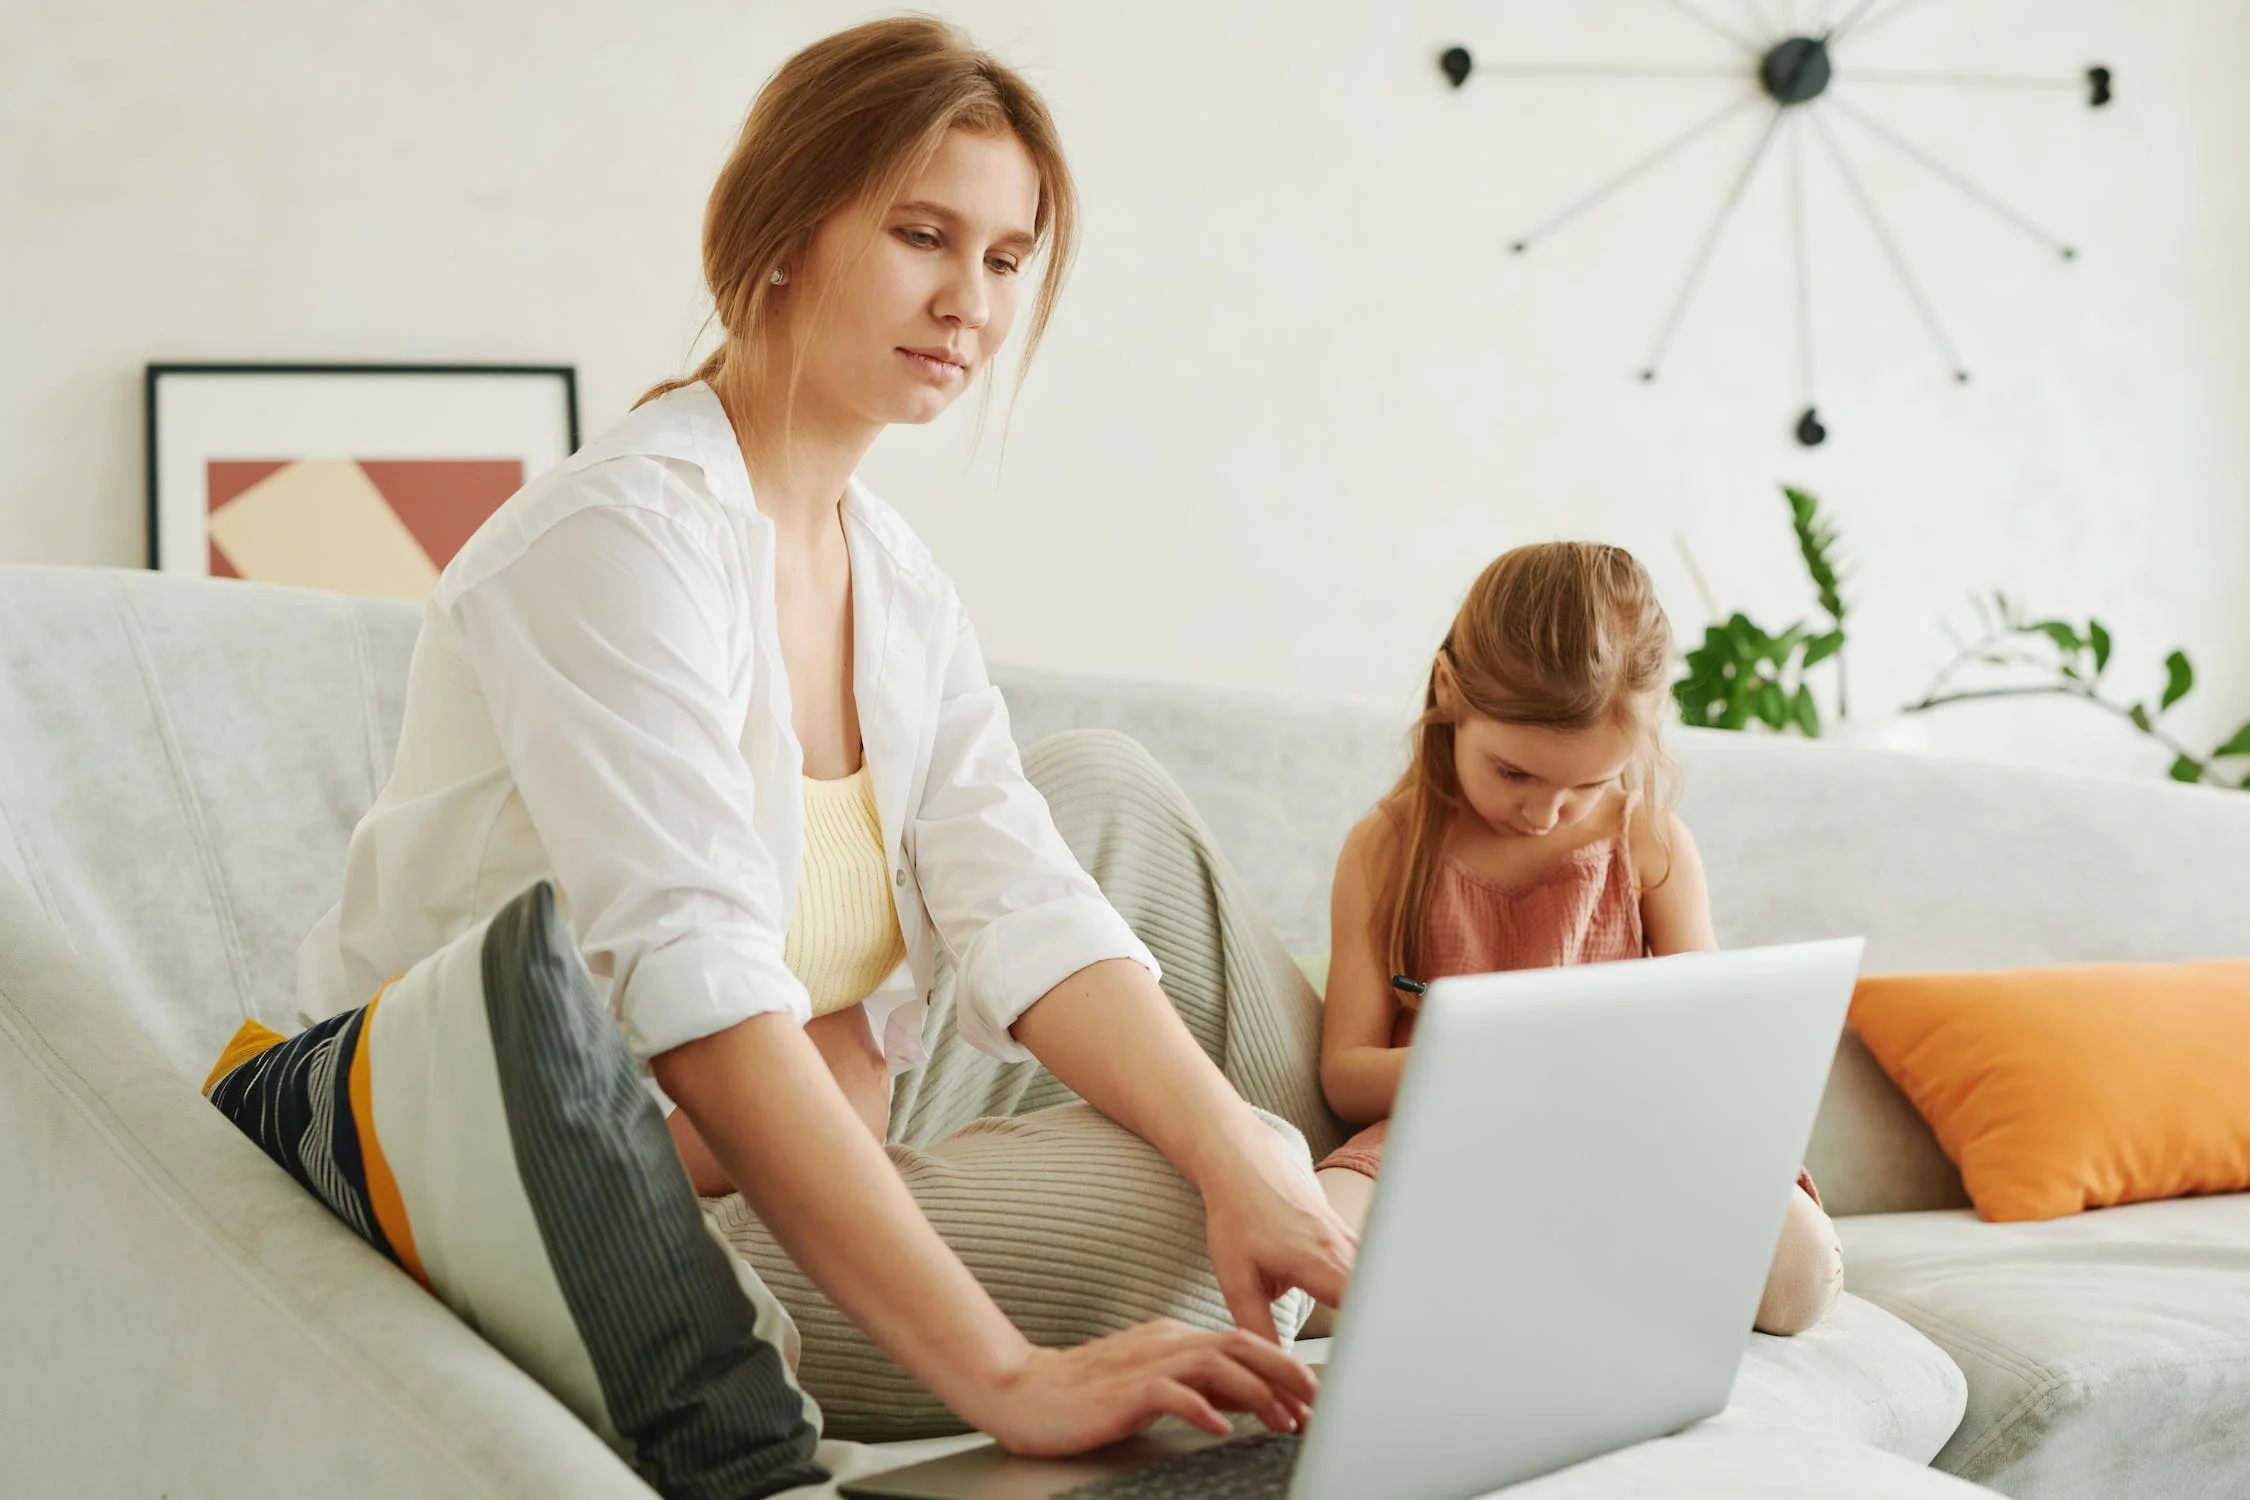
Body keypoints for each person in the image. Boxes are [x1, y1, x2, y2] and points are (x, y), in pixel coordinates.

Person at [295, 16, 1353, 1458]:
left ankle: (1347, 1188)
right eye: (923, 234)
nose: (968, 301)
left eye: (1003, 257)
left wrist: (1243, 1156)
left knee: (1118, 836)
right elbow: (707, 1008)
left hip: (803, 1118)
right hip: (608, 1198)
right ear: (784, 227)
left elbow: (1022, 897)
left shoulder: (891, 576)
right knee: (1178, 1206)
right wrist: (1009, 1378)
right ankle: (1387, 1197)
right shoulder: (619, 545)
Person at [1307, 542, 1845, 1338]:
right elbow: (1347, 1075)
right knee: (1309, 1286)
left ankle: (1539, 1267)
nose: (1543, 814)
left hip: (1625, 1137)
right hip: (1442, 1136)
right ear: (1448, 691)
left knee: (1799, 1280)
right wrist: (1493, 1061)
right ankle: (1554, 1271)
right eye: (1514, 773)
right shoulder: (1384, 849)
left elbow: (1710, 1040)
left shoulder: (1651, 842)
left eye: (1588, 783)